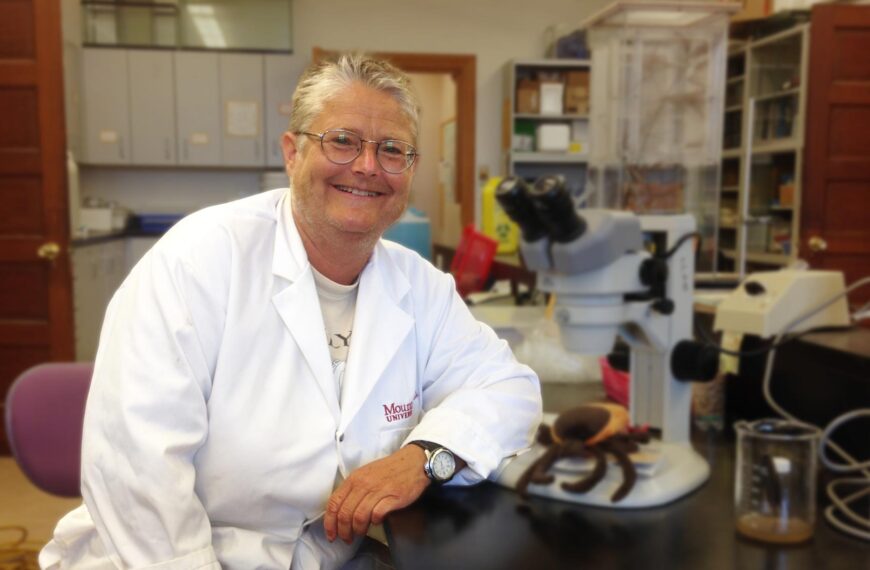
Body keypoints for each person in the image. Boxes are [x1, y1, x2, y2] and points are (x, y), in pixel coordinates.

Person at [41, 52, 542, 569]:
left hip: (333, 555)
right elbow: (139, 472)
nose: (367, 167)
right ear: (292, 152)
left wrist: (424, 458)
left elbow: (510, 389)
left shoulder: (419, 287)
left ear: (410, 170)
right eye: (342, 141)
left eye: (393, 150)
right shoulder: (198, 261)